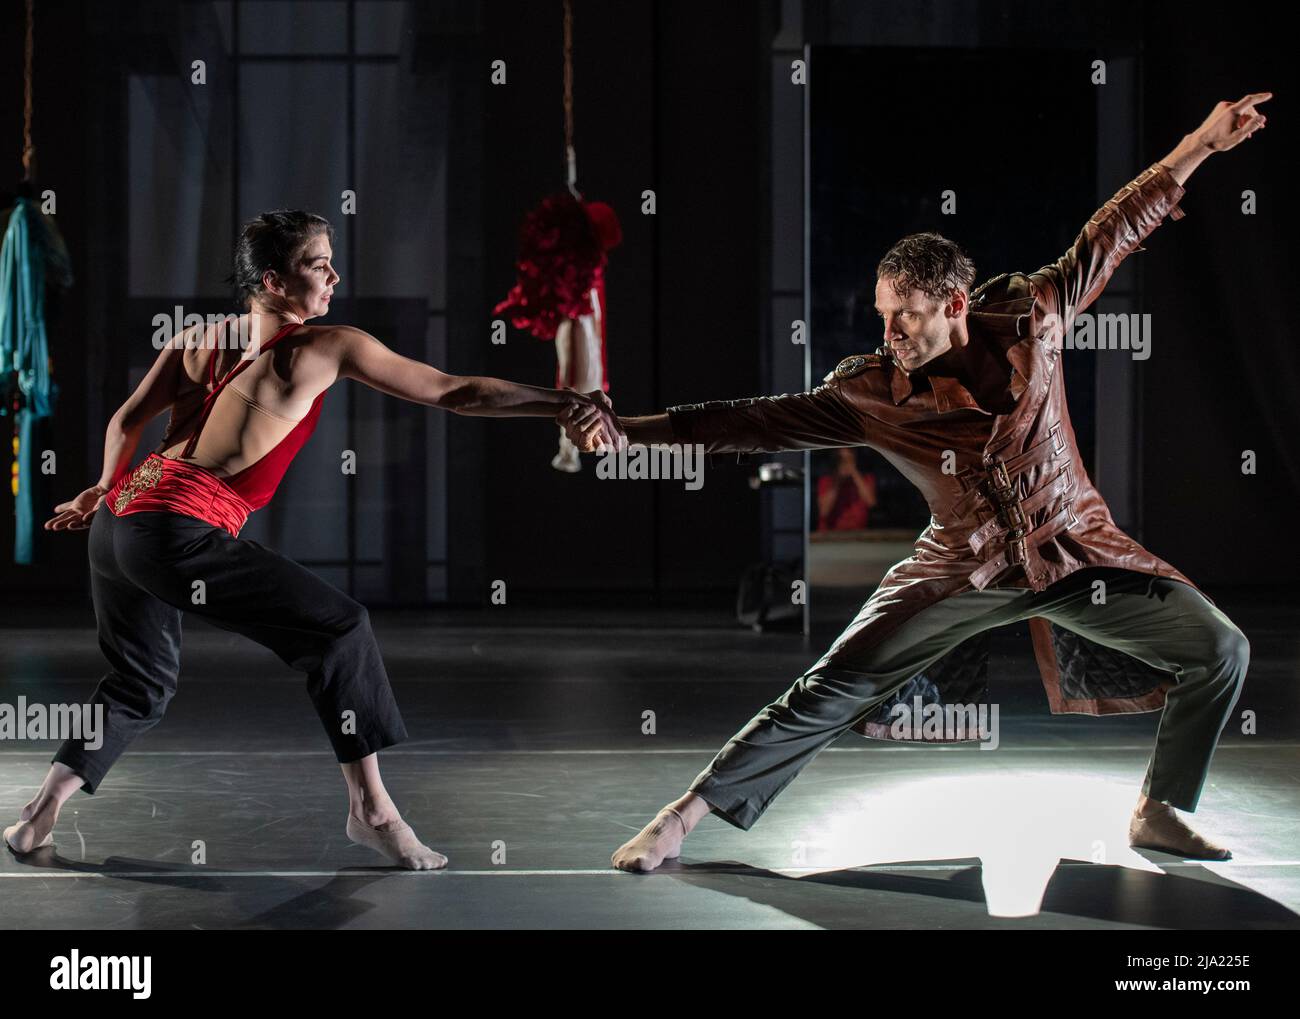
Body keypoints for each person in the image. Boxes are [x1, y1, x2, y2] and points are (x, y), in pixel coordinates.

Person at [563, 93, 1269, 872]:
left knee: (1220, 647)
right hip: (959, 567)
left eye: (905, 316)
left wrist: (1200, 143)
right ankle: (682, 816)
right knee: (834, 682)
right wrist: (631, 429)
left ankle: (1160, 809)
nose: (888, 333)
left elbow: (1115, 230)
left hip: (1076, 551)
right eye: (882, 315)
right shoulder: (869, 393)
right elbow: (752, 421)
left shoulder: (1035, 314)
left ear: (957, 305)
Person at [4, 210, 622, 870]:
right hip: (173, 533)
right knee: (340, 629)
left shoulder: (198, 338)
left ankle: (36, 817)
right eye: (317, 263)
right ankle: (372, 810)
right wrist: (559, 401)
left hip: (117, 527)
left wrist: (103, 488)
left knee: (139, 682)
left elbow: (127, 422)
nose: (335, 274)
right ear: (272, 281)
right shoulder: (330, 347)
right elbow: (454, 392)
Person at [816, 447, 877, 531]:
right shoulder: (826, 480)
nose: (845, 463)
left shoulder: (866, 478)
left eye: (849, 458)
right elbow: (823, 511)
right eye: (841, 459)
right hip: (831, 533)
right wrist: (837, 481)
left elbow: (871, 502)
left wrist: (854, 472)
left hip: (858, 533)